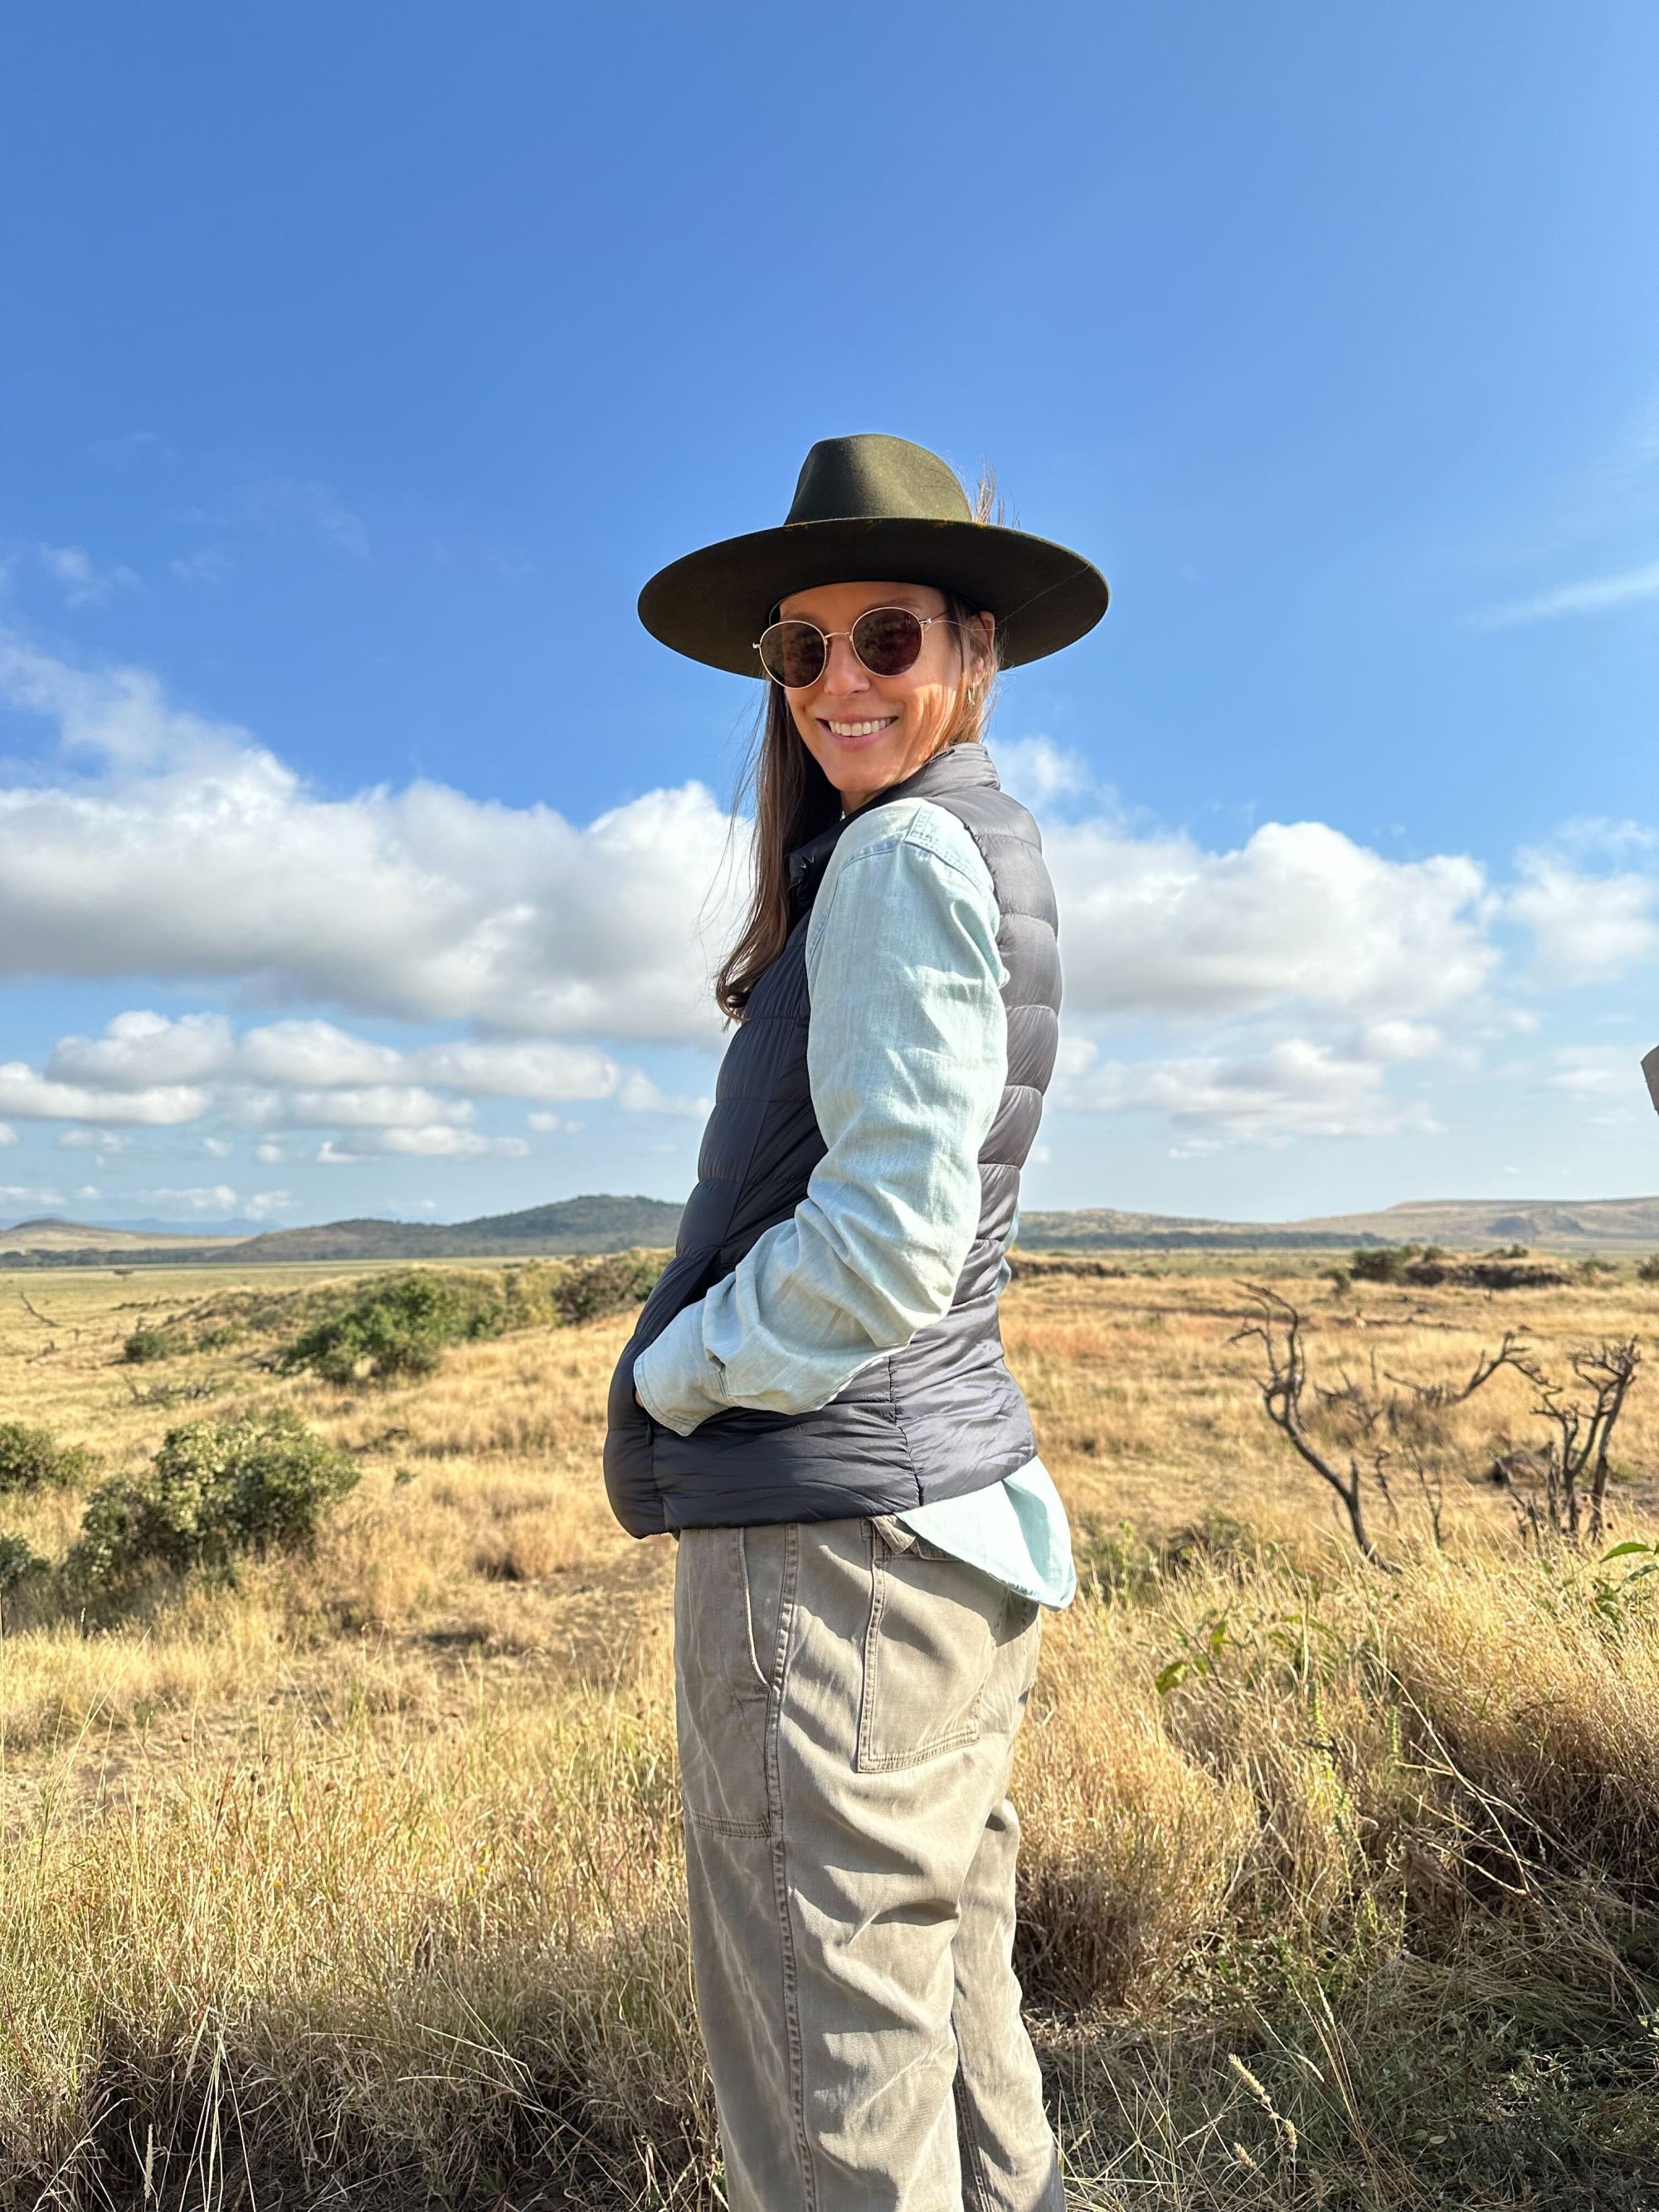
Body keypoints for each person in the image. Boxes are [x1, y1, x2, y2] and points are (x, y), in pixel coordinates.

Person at [603, 432, 1109, 2211]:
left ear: (971, 651)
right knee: (951, 2010)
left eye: (882, 637)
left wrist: (678, 1369)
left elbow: (890, 1235)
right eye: (796, 649)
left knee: (829, 2080)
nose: (835, 683)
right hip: (951, 1515)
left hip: (832, 1551)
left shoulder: (898, 857)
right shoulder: (984, 844)